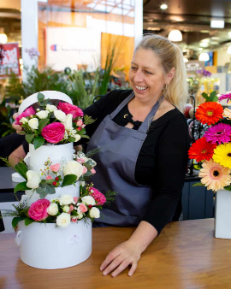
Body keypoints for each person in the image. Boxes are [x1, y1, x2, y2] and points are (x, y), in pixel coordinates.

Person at [13, 34, 190, 277]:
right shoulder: (114, 102)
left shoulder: (173, 125)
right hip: (86, 223)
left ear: (169, 75)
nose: (137, 78)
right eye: (134, 67)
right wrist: (31, 131)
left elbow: (168, 195)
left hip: (135, 232)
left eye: (148, 72)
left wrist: (134, 246)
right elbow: (71, 128)